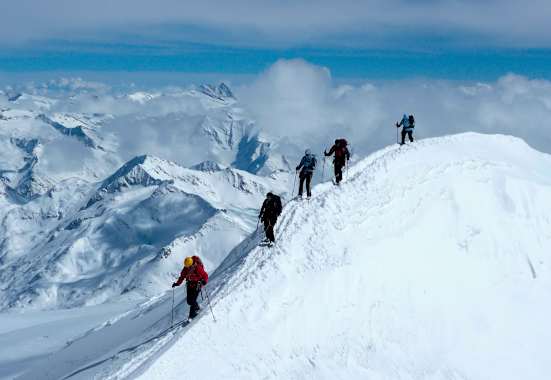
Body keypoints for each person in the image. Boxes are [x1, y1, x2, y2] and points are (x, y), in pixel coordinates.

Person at [172, 256, 209, 320]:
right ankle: (197, 307)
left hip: (197, 284)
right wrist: (177, 283)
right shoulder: (186, 268)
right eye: (186, 266)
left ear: (191, 264)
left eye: (188, 266)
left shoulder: (197, 267)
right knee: (189, 301)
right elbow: (182, 276)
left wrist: (204, 281)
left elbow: (205, 275)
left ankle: (192, 316)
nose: (187, 267)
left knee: (193, 300)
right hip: (189, 284)